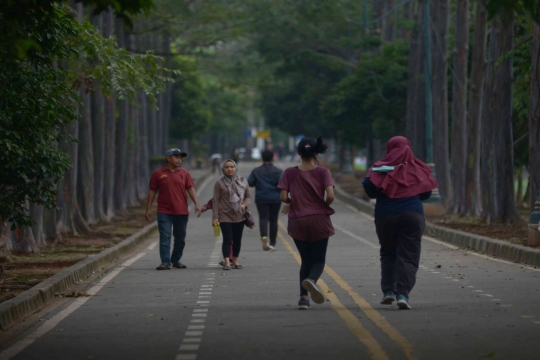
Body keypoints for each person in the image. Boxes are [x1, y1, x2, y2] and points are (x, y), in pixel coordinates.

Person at [362, 136, 438, 310]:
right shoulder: (417, 166)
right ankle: (403, 294)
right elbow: (426, 194)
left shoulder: (379, 167)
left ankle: (389, 291)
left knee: (388, 252)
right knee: (408, 255)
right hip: (412, 215)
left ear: (389, 149)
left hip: (385, 216)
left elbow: (369, 187)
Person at [278, 137, 335, 310]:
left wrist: (294, 202)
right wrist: (321, 205)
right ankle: (311, 280)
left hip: (298, 220)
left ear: (299, 153)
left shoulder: (289, 172)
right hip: (319, 219)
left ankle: (303, 299)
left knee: (305, 260)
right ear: (316, 153)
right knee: (318, 261)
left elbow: (282, 198)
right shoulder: (323, 172)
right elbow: (331, 196)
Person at [146, 148, 201, 270]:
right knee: (165, 236)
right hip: (164, 210)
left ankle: (176, 259)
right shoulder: (158, 173)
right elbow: (152, 191)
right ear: (168, 158)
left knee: (180, 238)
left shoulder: (184, 173)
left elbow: (190, 188)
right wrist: (148, 208)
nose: (179, 160)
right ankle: (165, 262)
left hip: (181, 211)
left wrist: (196, 204)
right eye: (176, 157)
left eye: (180, 157)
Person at [212, 160, 253, 270]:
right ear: (223, 169)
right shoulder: (219, 183)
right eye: (227, 167)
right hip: (224, 215)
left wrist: (244, 205)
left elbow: (249, 197)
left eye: (232, 167)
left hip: (239, 215)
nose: (230, 169)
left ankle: (235, 260)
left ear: (235, 168)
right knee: (227, 239)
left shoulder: (243, 181)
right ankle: (227, 262)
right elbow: (215, 201)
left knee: (237, 239)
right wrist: (215, 217)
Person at [248, 150, 283, 251]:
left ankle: (264, 236)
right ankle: (272, 242)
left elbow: (250, 182)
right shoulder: (278, 171)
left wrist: (259, 184)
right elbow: (282, 184)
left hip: (261, 197)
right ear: (273, 158)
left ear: (262, 158)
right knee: (273, 219)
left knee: (263, 218)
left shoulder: (256, 171)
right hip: (275, 198)